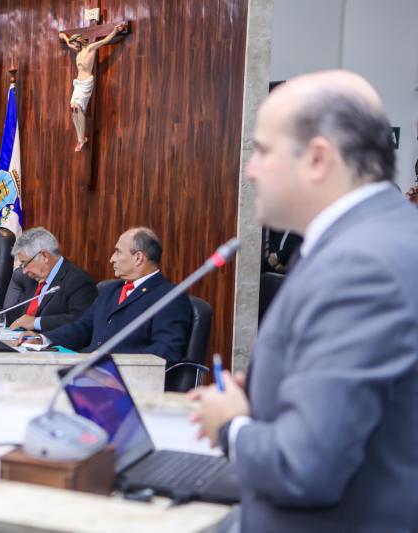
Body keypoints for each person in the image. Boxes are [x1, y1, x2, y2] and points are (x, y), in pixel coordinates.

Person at [190, 70, 418, 531]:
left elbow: (304, 469)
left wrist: (231, 426)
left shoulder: (359, 265)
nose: (251, 169)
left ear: (317, 158)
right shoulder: (373, 234)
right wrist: (263, 397)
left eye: (263, 150)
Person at [21, 227, 191, 362]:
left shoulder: (169, 297)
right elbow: (82, 327)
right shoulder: (110, 290)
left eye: (118, 252)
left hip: (129, 382)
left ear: (138, 258)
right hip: (89, 373)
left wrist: (113, 361)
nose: (112, 259)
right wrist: (44, 339)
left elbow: (167, 350)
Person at [0, 227, 97, 331]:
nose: (24, 271)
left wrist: (36, 322)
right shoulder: (31, 280)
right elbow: (17, 314)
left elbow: (82, 321)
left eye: (25, 263)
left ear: (44, 256)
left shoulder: (78, 280)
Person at [58, 22, 127, 152]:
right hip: (78, 83)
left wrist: (115, 31)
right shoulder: (78, 51)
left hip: (86, 83)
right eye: (73, 44)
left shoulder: (90, 48)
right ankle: (80, 138)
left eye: (75, 44)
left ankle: (81, 138)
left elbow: (105, 40)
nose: (74, 46)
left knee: (77, 107)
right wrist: (64, 37)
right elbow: (67, 41)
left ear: (79, 42)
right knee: (73, 108)